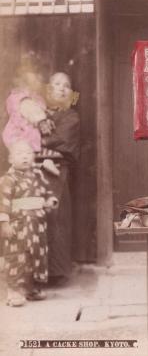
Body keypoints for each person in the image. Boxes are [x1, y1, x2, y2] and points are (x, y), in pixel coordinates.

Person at [0, 141, 58, 307]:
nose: (24, 157)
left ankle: (31, 288)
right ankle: (14, 291)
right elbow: (3, 203)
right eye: (19, 154)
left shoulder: (38, 175)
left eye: (28, 153)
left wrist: (50, 200)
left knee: (37, 255)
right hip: (18, 224)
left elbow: (46, 191)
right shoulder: (7, 180)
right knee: (17, 256)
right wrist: (4, 224)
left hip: (37, 224)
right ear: (11, 159)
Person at [40, 72, 80, 284]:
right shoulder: (39, 112)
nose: (62, 88)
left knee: (56, 218)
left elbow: (58, 141)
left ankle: (55, 272)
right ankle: (36, 270)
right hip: (35, 169)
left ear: (71, 93)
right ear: (49, 89)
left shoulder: (71, 117)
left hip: (58, 171)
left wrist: (36, 138)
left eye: (67, 85)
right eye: (57, 83)